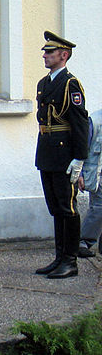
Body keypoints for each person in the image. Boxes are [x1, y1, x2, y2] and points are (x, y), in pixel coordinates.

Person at [34, 30, 88, 279]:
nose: (45, 55)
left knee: (68, 208)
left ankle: (70, 261)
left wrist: (79, 158)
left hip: (65, 153)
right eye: (45, 52)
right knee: (55, 207)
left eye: (50, 52)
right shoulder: (44, 83)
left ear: (63, 55)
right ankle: (59, 258)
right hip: (47, 151)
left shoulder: (70, 84)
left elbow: (79, 124)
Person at [77, 108, 102, 257]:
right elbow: (82, 148)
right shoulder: (94, 121)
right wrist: (79, 174)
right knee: (98, 208)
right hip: (98, 173)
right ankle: (83, 242)